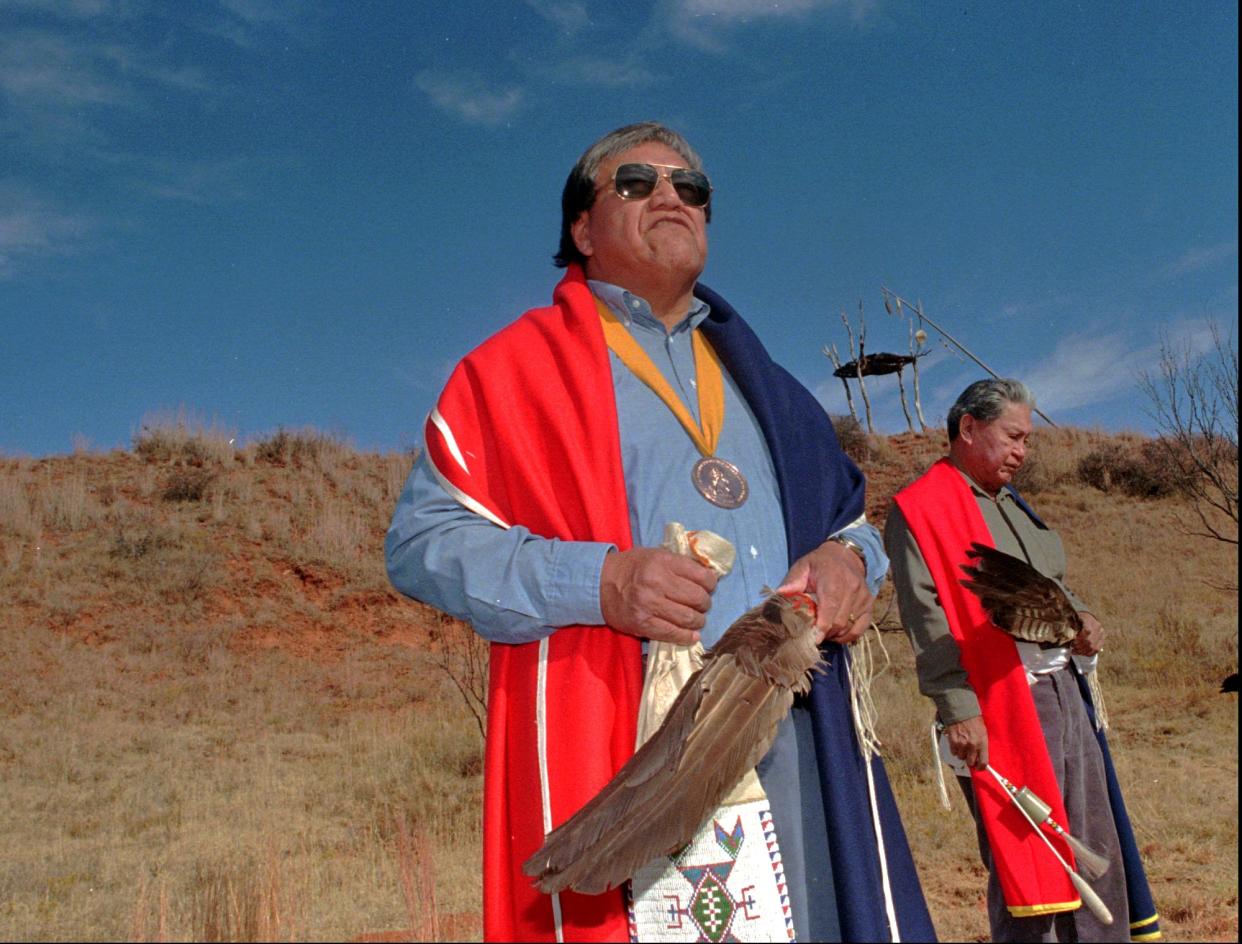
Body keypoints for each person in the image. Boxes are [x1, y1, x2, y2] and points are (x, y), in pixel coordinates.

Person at [386, 122, 935, 943]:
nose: (673, 195)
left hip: (797, 743)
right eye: (637, 182)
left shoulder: (773, 390)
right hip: (631, 755)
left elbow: (854, 523)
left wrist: (848, 559)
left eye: (692, 187)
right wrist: (600, 583)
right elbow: (423, 543)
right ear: (581, 227)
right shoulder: (510, 373)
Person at [885, 378, 1161, 943]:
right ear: (969, 428)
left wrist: (1084, 619)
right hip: (997, 703)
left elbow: (1051, 588)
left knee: (1090, 833)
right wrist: (958, 708)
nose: (1022, 452)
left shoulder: (1016, 507)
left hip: (1064, 690)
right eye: (1013, 436)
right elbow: (926, 617)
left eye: (1027, 440)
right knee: (1028, 849)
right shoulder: (920, 510)